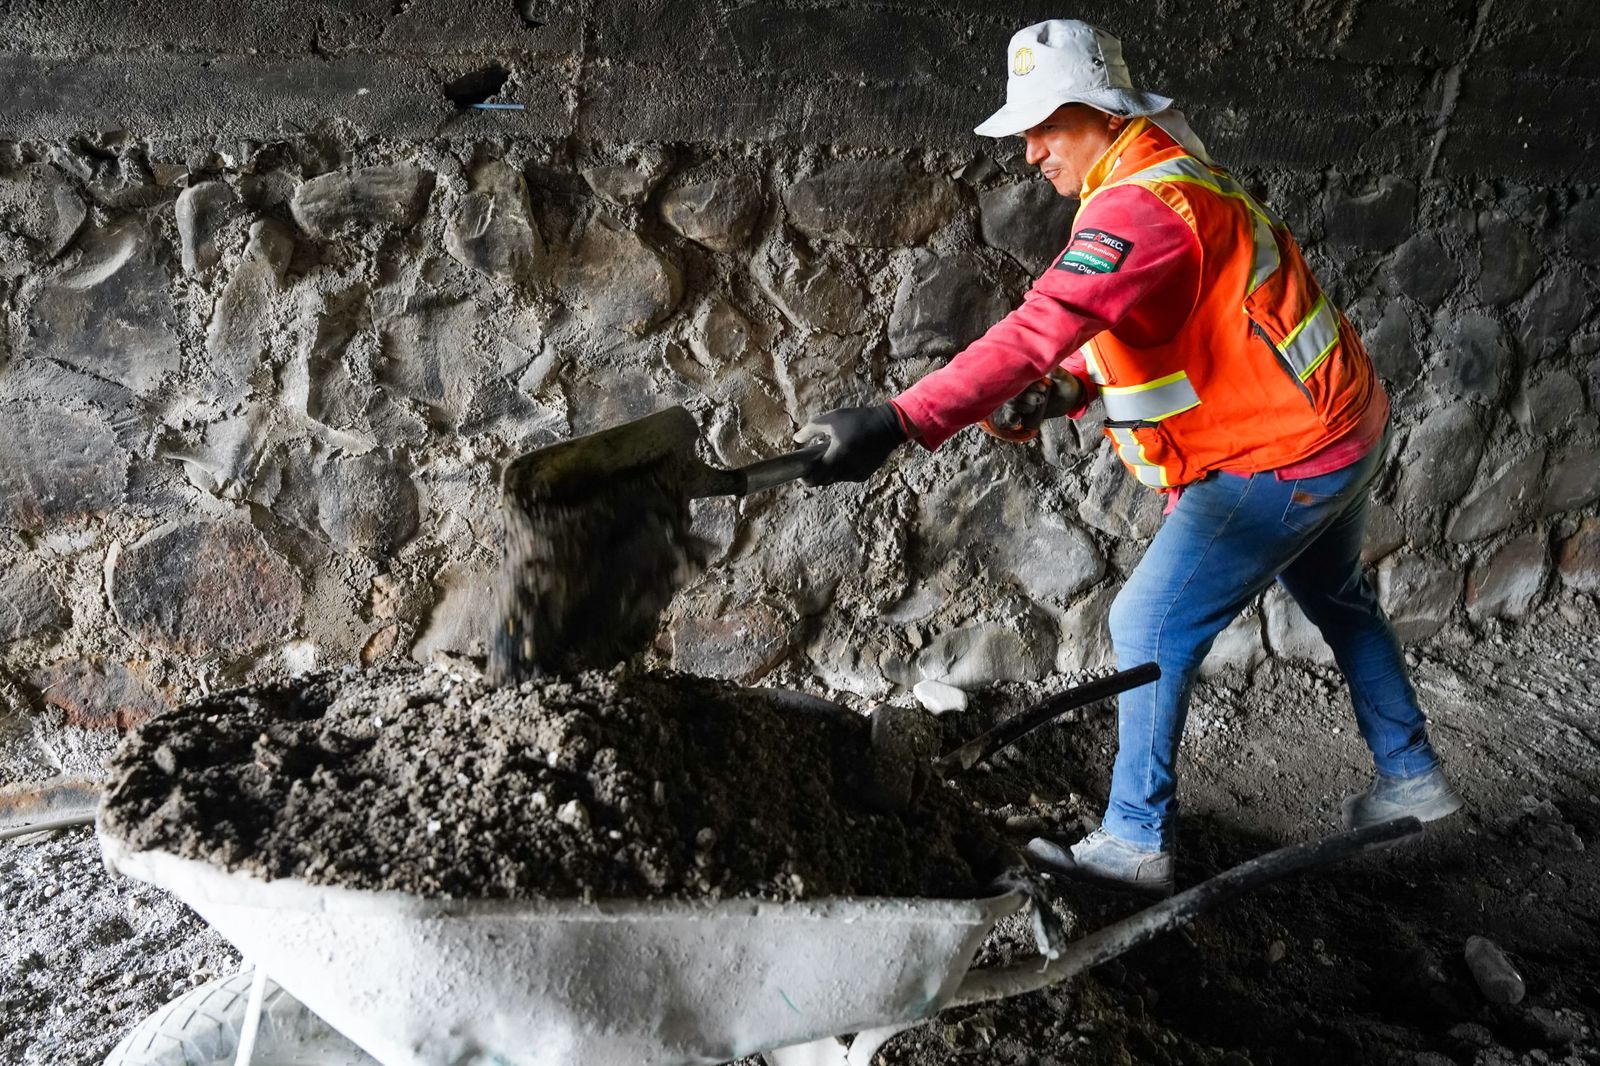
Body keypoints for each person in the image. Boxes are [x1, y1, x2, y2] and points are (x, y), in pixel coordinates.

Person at [795, 19, 1462, 896]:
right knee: (1338, 598)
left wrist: (899, 419)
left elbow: (1039, 326)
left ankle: (1135, 842)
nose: (1032, 152)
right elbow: (1157, 327)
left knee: (1147, 624)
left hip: (1286, 454)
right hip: (1340, 424)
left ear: (1104, 113)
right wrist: (1068, 388)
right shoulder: (1167, 173)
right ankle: (1412, 776)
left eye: (1048, 126)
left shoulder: (1139, 208)